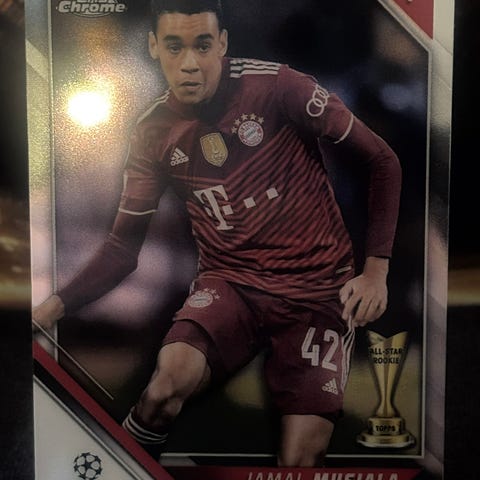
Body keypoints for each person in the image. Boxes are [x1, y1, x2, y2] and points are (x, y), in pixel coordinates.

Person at [33, 0, 402, 467]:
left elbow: (382, 160)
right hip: (232, 284)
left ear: (222, 44)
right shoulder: (151, 133)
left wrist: (375, 271)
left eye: (203, 45)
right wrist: (53, 306)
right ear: (154, 48)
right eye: (175, 47)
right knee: (165, 385)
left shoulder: (280, 86)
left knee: (301, 456)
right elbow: (123, 248)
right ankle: (122, 470)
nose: (190, 63)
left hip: (316, 290)